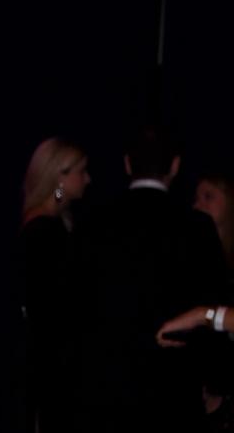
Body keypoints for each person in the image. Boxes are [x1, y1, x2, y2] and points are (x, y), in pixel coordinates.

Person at [71, 125, 227, 431]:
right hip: (174, 397)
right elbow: (213, 310)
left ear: (128, 164)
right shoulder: (196, 228)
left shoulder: (93, 225)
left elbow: (75, 312)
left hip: (104, 399)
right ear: (175, 166)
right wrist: (217, 380)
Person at [17, 137, 89, 433]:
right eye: (81, 171)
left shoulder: (47, 228)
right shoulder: (44, 233)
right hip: (53, 369)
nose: (87, 179)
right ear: (59, 176)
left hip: (49, 366)